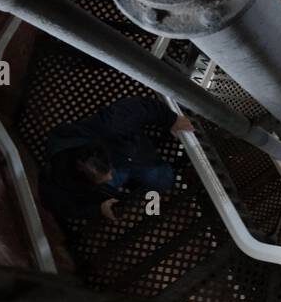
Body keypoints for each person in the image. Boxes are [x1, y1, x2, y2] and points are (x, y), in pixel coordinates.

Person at [40, 95, 192, 223]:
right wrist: (99, 209)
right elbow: (61, 204)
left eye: (109, 172)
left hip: (129, 154)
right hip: (108, 174)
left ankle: (137, 190)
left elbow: (140, 107)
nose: (110, 176)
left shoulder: (112, 124)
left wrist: (171, 119)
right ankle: (126, 194)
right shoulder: (61, 180)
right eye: (104, 178)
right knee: (117, 188)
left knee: (163, 178)